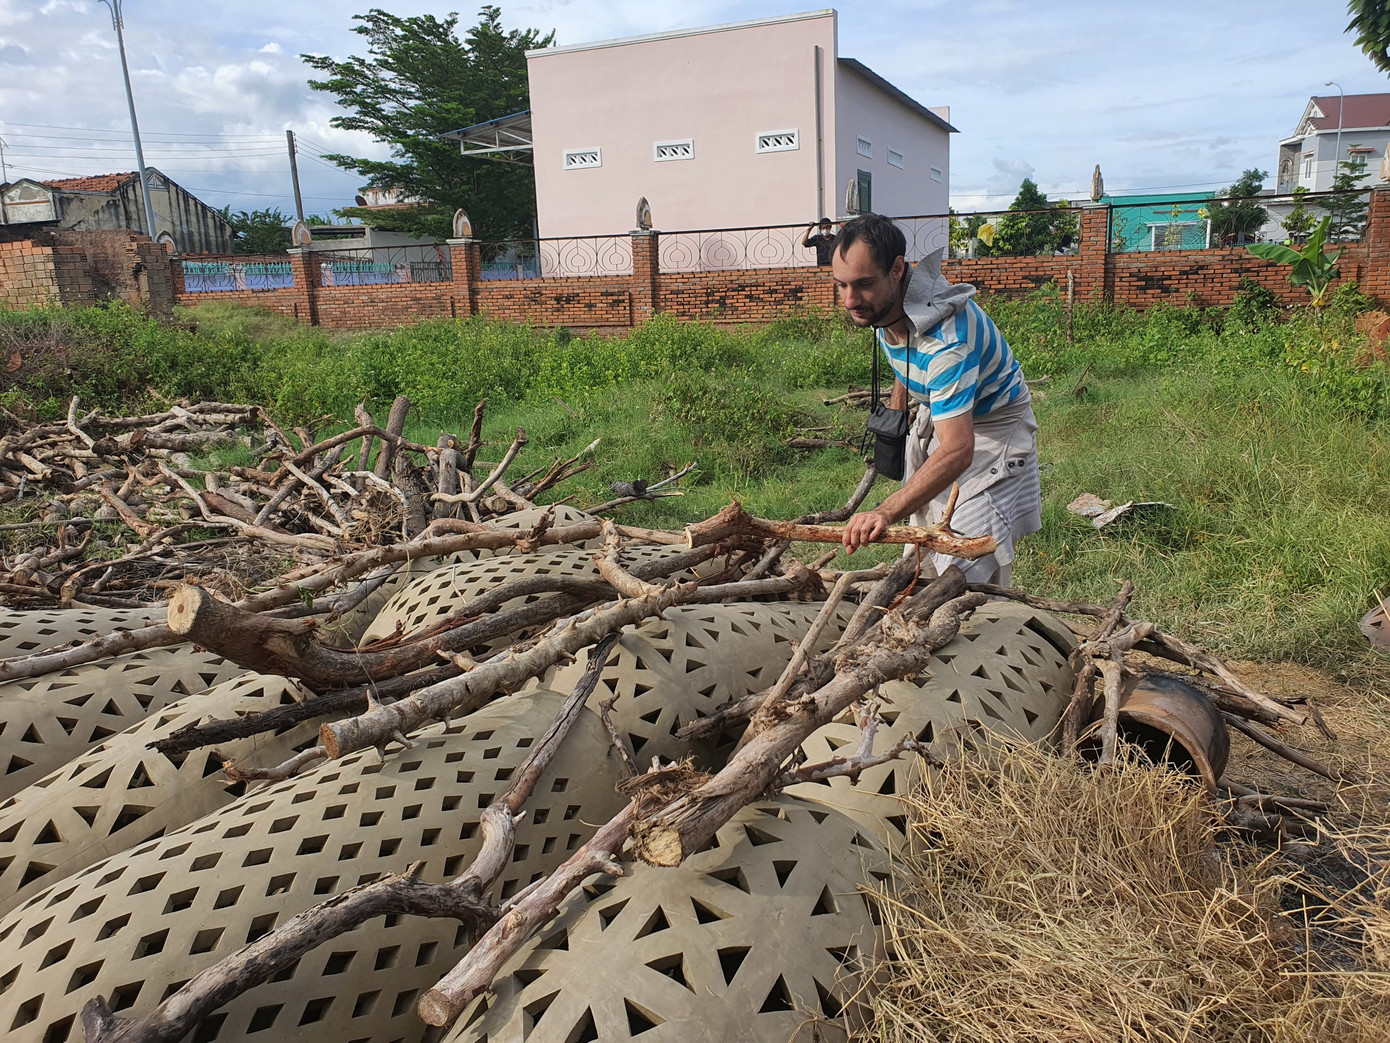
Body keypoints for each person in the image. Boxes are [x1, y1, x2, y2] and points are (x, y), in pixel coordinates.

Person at [831, 213, 1040, 585]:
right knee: (925, 542)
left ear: (897, 269)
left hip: (992, 431)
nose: (849, 300)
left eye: (863, 284)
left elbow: (959, 449)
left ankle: (989, 630)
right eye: (841, 285)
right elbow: (907, 356)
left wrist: (883, 511)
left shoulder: (946, 340)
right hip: (943, 416)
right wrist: (896, 418)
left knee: (966, 560)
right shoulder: (886, 305)